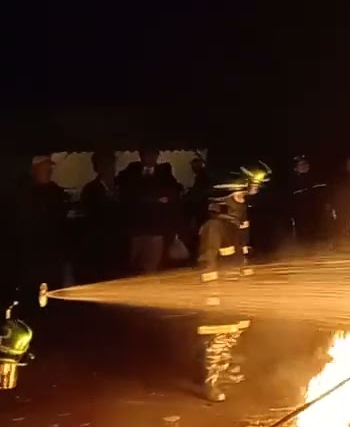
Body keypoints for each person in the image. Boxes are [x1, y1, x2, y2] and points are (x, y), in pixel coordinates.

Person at [194, 165, 266, 402]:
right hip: (219, 294)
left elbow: (241, 254)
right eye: (239, 196)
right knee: (218, 338)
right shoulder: (214, 226)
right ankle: (211, 382)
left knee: (232, 333)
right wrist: (212, 294)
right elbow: (207, 262)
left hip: (235, 290)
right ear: (224, 200)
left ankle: (223, 372)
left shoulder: (234, 225)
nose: (243, 201)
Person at [11, 156, 72, 298]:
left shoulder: (54, 192)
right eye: (45, 167)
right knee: (32, 295)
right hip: (31, 260)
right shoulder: (23, 194)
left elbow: (60, 224)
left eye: (50, 167)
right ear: (34, 169)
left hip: (52, 258)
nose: (49, 170)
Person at [117, 146, 183, 274]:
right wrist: (154, 199)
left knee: (151, 265)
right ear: (141, 156)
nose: (149, 158)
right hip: (136, 228)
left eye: (152, 155)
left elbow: (173, 192)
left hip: (156, 228)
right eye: (146, 155)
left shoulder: (164, 172)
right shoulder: (131, 172)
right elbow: (129, 196)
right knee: (132, 266)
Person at [78, 150, 124, 282]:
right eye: (105, 165)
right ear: (97, 168)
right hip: (100, 243)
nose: (110, 169)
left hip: (119, 241)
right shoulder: (91, 190)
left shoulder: (121, 186)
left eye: (111, 164)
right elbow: (91, 215)